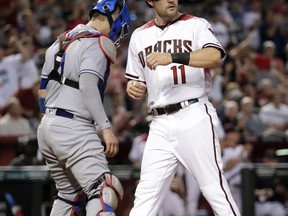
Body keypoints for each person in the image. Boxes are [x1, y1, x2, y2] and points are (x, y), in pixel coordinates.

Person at [125, 0, 240, 215]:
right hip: (159, 122)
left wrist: (172, 57)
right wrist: (133, 86)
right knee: (145, 197)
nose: (171, 0)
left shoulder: (196, 24)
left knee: (214, 189)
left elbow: (215, 57)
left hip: (193, 114)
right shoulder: (139, 35)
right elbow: (135, 79)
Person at [36, 0, 131, 215]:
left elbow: (41, 91)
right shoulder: (98, 42)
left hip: (47, 128)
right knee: (105, 189)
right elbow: (87, 86)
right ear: (115, 17)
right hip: (74, 127)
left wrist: (53, 123)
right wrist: (105, 128)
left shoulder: (59, 41)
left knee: (69, 196)